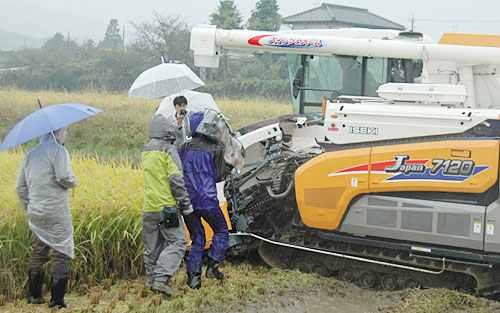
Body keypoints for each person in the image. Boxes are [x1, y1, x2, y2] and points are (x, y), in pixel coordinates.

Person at [15, 127, 77, 309]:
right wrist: (74, 180)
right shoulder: (59, 151)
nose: (66, 136)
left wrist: (30, 207)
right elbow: (64, 177)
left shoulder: (30, 155)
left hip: (36, 212)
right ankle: (57, 300)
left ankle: (34, 296)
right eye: (65, 132)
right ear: (57, 133)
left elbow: (20, 188)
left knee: (38, 251)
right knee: (62, 251)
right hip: (56, 210)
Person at [141, 114, 193, 296]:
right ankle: (161, 279)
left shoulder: (145, 150)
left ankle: (151, 282)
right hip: (167, 209)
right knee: (179, 242)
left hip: (148, 208)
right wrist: (185, 204)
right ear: (167, 131)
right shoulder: (168, 150)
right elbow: (176, 180)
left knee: (152, 248)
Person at [178, 111, 229, 289]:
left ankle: (194, 279)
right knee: (221, 230)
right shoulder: (215, 148)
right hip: (207, 200)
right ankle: (213, 265)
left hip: (187, 202)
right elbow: (220, 176)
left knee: (197, 237)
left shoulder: (182, 147)